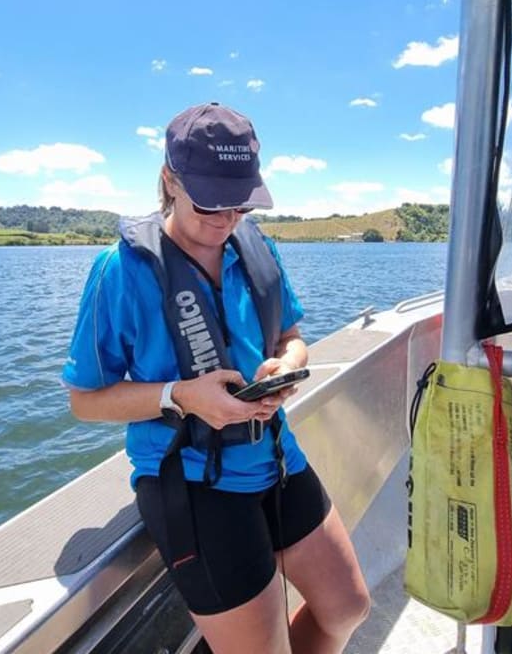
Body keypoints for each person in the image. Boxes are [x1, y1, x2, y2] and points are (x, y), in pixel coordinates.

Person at [62, 102, 370, 653]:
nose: (227, 221)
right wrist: (180, 396)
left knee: (349, 607)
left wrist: (291, 364)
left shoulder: (258, 250)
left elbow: (290, 336)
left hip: (276, 457)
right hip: (194, 484)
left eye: (240, 204)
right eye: (210, 203)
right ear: (169, 182)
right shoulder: (121, 272)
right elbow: (85, 400)